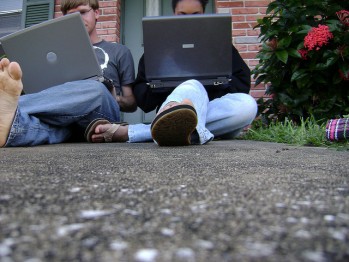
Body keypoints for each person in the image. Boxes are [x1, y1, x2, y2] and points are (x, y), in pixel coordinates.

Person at [85, 0, 257, 146]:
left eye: (196, 15)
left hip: (215, 111)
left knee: (248, 105)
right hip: (186, 114)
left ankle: (141, 132)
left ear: (204, 13)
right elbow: (143, 99)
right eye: (182, 14)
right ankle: (188, 129)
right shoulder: (158, 50)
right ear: (174, 13)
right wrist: (167, 86)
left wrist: (211, 83)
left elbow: (241, 83)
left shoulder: (219, 46)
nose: (189, 21)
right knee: (191, 84)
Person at [0, 0, 136, 147]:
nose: (79, 18)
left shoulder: (120, 51)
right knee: (49, 129)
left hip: (102, 113)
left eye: (83, 12)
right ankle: (12, 126)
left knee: (96, 89)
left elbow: (131, 102)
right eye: (72, 15)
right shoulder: (55, 53)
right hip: (63, 116)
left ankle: (16, 107)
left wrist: (114, 97)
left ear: (96, 13)